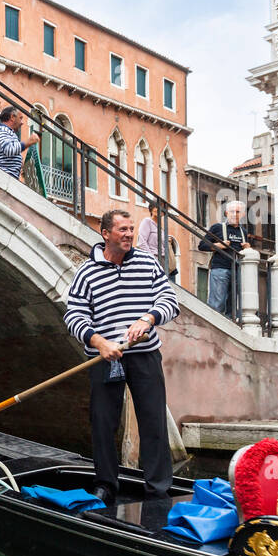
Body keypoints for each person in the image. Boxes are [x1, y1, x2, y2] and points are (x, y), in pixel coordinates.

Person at [64, 209, 180, 505]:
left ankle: (158, 489)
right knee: (103, 422)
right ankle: (105, 485)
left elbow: (169, 300)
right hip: (105, 358)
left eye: (131, 229)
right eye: (123, 230)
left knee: (153, 420)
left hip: (144, 354)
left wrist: (149, 318)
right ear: (105, 234)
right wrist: (98, 341)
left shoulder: (147, 262)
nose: (129, 234)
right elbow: (74, 314)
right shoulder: (87, 272)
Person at [200, 199, 250, 320]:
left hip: (237, 271)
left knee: (233, 304)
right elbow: (202, 245)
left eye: (238, 212)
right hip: (220, 269)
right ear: (226, 213)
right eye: (232, 211)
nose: (234, 214)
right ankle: (213, 327)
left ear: (243, 214)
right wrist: (218, 245)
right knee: (217, 303)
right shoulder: (217, 227)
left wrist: (248, 248)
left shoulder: (243, 232)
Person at [0, 106, 39, 179]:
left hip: (5, 177)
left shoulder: (8, 133)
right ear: (12, 117)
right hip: (1, 176)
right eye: (20, 118)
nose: (22, 122)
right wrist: (28, 142)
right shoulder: (2, 130)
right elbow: (9, 149)